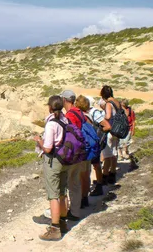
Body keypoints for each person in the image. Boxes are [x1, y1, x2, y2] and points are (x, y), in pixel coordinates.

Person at [34, 95, 69, 241]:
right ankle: (62, 222)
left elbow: (48, 148)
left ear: (50, 107)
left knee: (53, 195)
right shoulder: (64, 119)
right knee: (62, 192)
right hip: (64, 159)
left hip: (53, 161)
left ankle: (55, 229)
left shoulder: (51, 124)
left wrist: (39, 141)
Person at [78, 96, 112, 197]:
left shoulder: (92, 113)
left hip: (91, 143)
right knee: (94, 166)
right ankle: (94, 187)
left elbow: (107, 126)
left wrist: (97, 135)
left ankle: (96, 187)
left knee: (93, 166)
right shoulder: (86, 114)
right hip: (92, 143)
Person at [61, 90, 85, 220]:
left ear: (64, 100)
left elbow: (68, 134)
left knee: (66, 183)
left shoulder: (69, 115)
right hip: (80, 151)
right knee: (75, 182)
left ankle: (66, 212)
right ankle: (75, 210)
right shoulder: (79, 111)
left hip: (72, 152)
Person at [100, 85, 121, 184]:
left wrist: (102, 118)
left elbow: (108, 116)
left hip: (110, 130)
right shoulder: (117, 102)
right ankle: (112, 174)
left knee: (107, 154)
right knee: (114, 152)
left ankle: (105, 176)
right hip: (118, 130)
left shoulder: (109, 103)